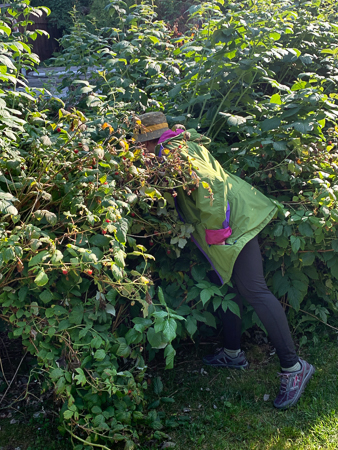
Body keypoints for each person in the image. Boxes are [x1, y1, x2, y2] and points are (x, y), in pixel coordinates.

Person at [133, 112, 315, 410]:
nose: (137, 154)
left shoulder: (177, 152)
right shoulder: (172, 150)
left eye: (139, 147)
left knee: (254, 290)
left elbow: (212, 186)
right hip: (232, 222)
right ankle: (233, 353)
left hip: (234, 224)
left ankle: (294, 368)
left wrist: (218, 230)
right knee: (228, 285)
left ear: (148, 142)